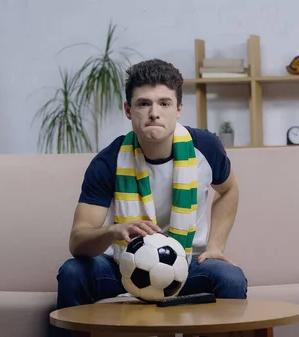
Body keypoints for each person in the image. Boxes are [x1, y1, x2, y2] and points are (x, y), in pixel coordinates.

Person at [54, 58, 247, 336]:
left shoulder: (205, 147)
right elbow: (78, 242)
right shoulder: (108, 161)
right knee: (73, 271)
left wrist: (215, 246)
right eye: (144, 103)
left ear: (179, 109)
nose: (154, 113)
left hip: (184, 263)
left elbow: (229, 190)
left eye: (164, 103)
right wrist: (113, 231)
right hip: (124, 265)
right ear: (128, 110)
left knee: (230, 277)